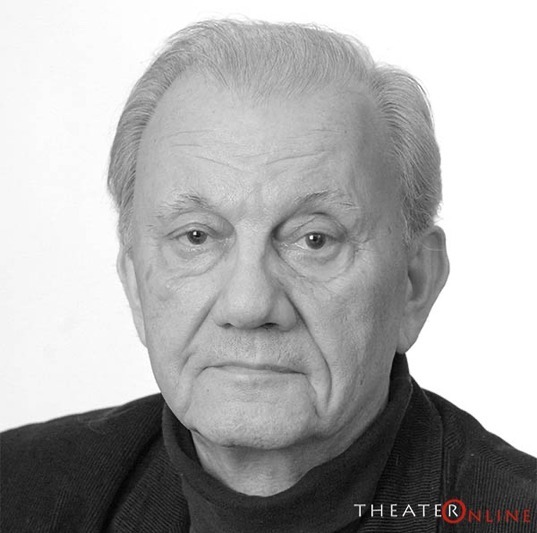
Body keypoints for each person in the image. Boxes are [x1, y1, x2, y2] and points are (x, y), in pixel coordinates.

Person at [1, 19, 535, 533]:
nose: (249, 305)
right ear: (135, 285)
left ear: (414, 284)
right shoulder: (16, 491)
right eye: (196, 236)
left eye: (314, 239)